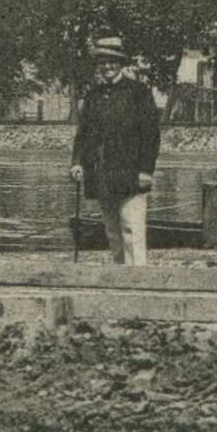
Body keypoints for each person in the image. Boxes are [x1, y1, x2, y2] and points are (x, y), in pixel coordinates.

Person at [70, 36, 160, 266]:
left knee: (132, 228)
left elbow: (150, 136)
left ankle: (137, 278)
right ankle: (119, 276)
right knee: (112, 231)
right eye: (102, 62)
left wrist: (145, 171)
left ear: (121, 64)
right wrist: (78, 163)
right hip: (102, 174)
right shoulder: (93, 95)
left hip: (131, 174)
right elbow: (84, 134)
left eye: (112, 62)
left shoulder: (138, 92)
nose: (107, 66)